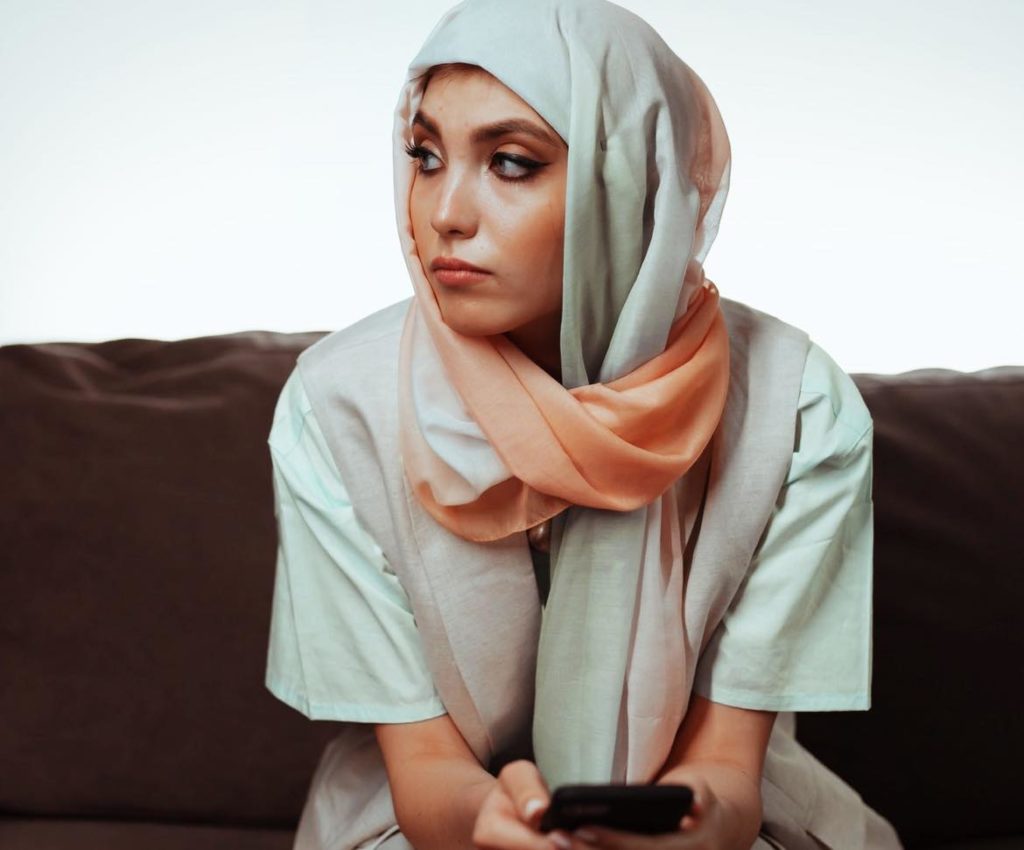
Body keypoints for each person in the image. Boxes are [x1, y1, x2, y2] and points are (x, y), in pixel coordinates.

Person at [264, 1, 905, 848]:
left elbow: (726, 771)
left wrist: (692, 826)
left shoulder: (799, 413)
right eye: (424, 156)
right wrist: (492, 819)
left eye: (513, 163)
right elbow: (425, 776)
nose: (444, 212)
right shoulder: (335, 409)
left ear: (628, 179)